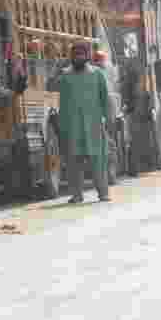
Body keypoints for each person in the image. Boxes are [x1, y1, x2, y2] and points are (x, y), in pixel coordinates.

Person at [57, 41, 112, 204]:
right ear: (71, 57)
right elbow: (61, 101)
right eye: (75, 55)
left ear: (87, 56)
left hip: (94, 126)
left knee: (98, 161)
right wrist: (63, 126)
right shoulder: (65, 77)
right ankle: (76, 195)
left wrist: (107, 119)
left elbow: (105, 99)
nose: (78, 58)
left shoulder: (97, 74)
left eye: (81, 54)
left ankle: (103, 193)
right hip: (73, 127)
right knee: (74, 163)